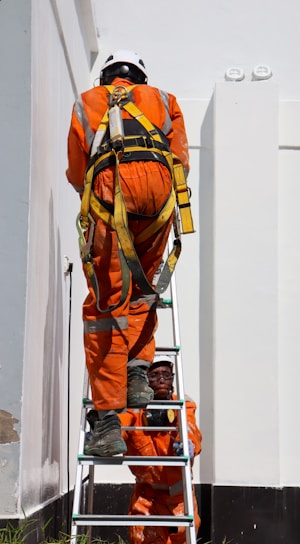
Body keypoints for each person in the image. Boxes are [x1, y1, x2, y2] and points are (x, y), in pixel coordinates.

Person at [66, 50, 190, 456]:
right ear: (140, 78)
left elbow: (76, 171)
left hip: (110, 194)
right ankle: (137, 373)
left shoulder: (88, 102)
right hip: (160, 200)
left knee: (105, 305)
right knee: (142, 290)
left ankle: (106, 424)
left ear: (107, 78)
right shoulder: (165, 99)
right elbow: (181, 162)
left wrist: (107, 204)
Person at [120, 355, 202, 544]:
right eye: (155, 375)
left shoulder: (183, 404)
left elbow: (190, 427)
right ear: (145, 379)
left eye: (166, 374)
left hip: (180, 499)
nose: (162, 379)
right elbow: (122, 425)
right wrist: (108, 432)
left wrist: (188, 444)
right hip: (147, 498)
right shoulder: (134, 410)